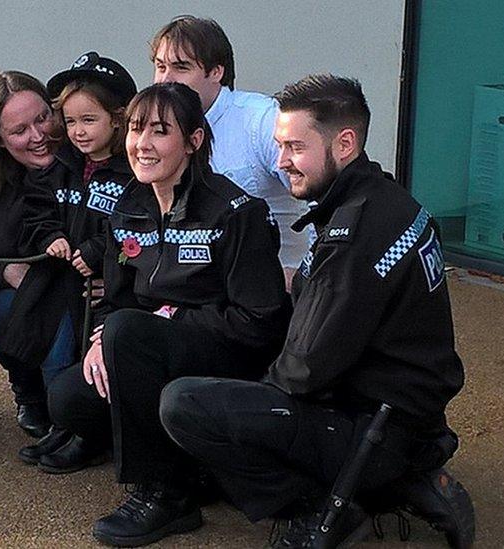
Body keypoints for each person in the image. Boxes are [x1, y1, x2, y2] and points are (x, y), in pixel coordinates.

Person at [159, 74, 475, 548]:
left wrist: (244, 395)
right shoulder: (384, 199)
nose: (282, 162)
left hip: (374, 427)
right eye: (279, 146)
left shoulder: (355, 235)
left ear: (344, 143)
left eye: (295, 148)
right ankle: (403, 478)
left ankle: (328, 507)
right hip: (404, 413)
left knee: (185, 405)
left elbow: (303, 368)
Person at [47, 83, 292, 547]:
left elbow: (259, 321)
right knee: (68, 400)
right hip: (147, 344)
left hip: (230, 356)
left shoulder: (237, 212)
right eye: (137, 130)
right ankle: (192, 461)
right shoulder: (130, 206)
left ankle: (166, 493)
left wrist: (164, 321)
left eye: (160, 132)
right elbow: (114, 297)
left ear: (194, 141)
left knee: (127, 335)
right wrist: (101, 342)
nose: (143, 144)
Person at [16, 52, 136, 469]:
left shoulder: (133, 172)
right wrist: (51, 236)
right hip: (63, 284)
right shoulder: (61, 165)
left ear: (117, 119)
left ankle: (91, 434)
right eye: (69, 121)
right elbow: (36, 209)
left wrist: (99, 253)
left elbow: (134, 227)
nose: (78, 131)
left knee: (94, 360)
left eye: (89, 120)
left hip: (107, 290)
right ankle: (64, 426)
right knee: (58, 352)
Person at [150, 15, 311, 287]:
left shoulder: (259, 120)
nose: (165, 80)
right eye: (160, 66)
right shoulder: (153, 125)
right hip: (194, 291)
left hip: (271, 293)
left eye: (181, 67)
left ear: (216, 72)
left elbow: (317, 198)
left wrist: (307, 277)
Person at [0, 71, 72, 440]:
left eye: (43, 118)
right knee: (3, 307)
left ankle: (70, 413)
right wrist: (6, 273)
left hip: (87, 296)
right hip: (25, 301)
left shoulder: (87, 160)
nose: (38, 136)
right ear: (0, 142)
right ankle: (31, 394)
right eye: (20, 130)